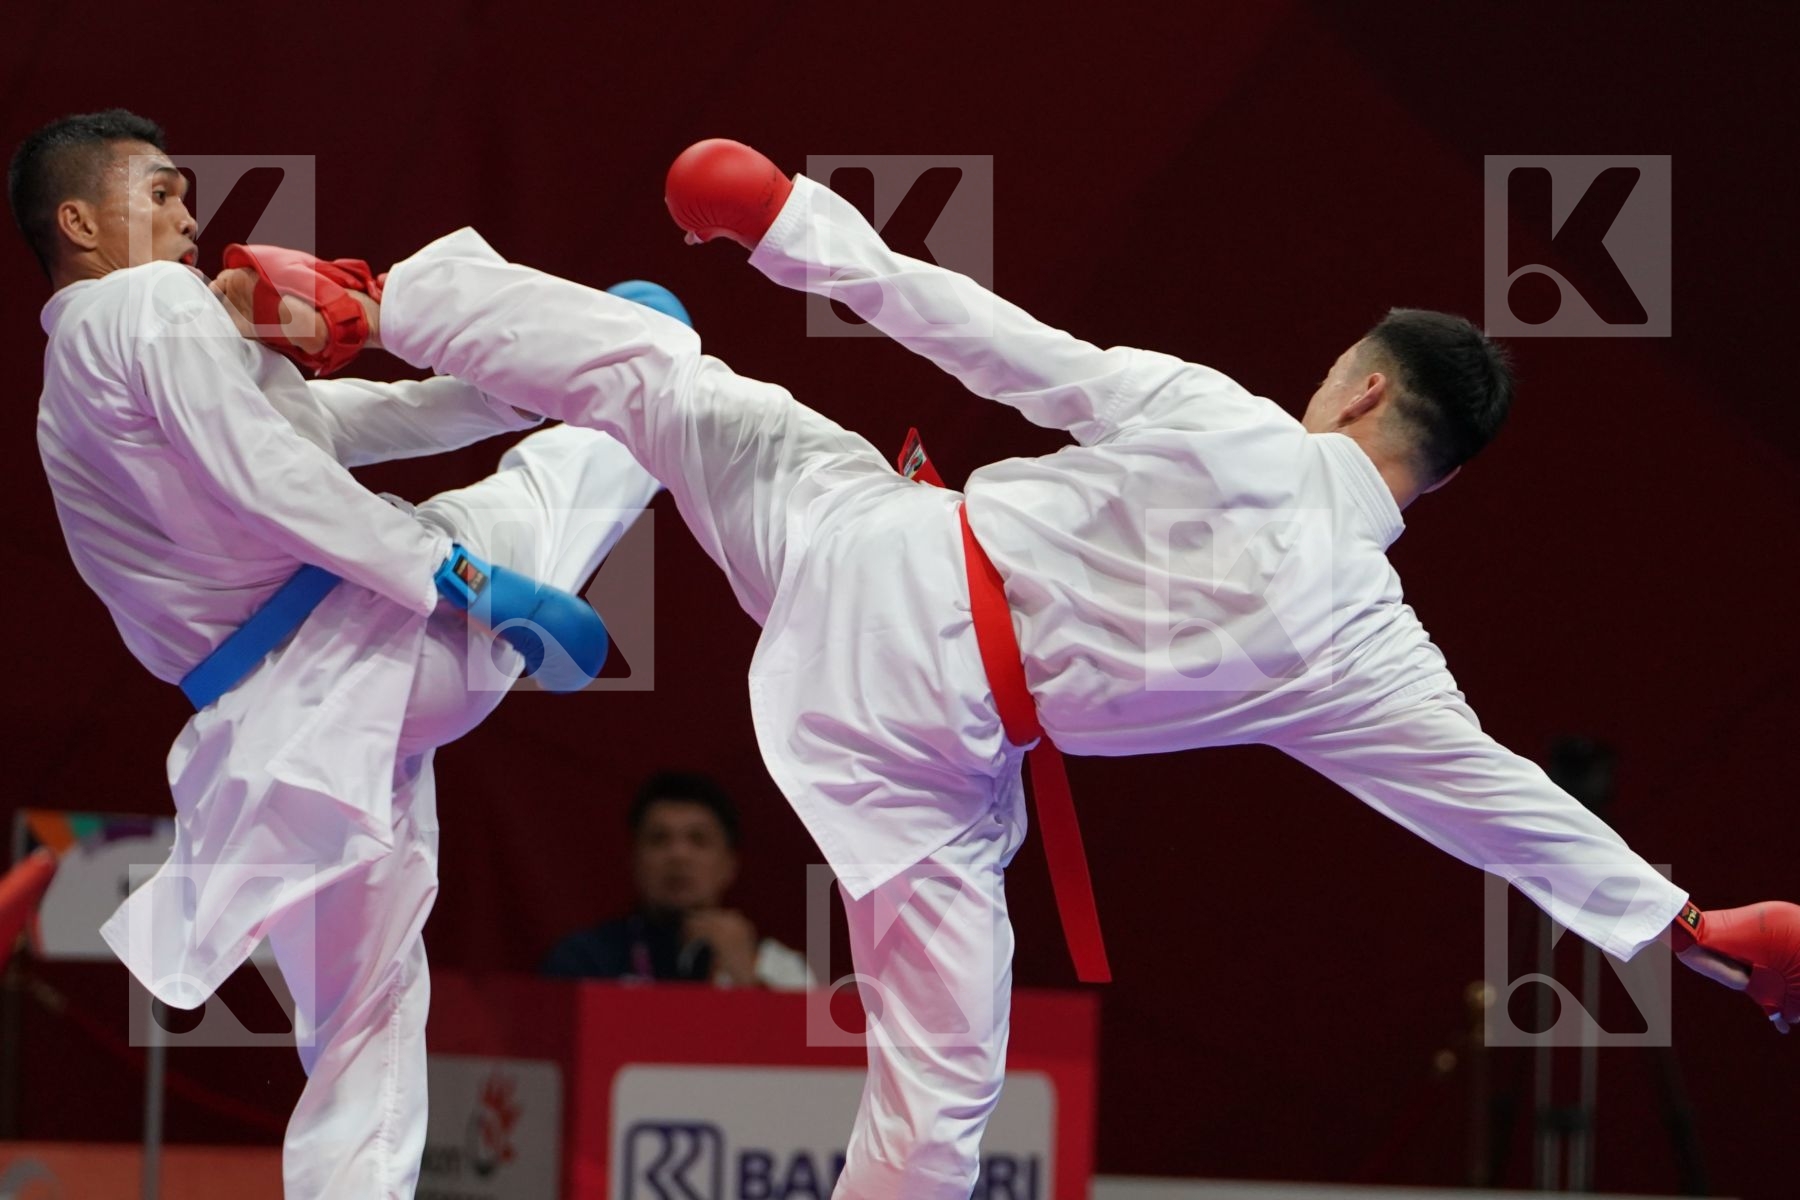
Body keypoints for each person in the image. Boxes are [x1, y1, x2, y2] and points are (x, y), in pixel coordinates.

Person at [262, 140, 1800, 1199]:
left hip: (875, 567)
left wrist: (788, 222)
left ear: (1364, 385)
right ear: (1440, 482)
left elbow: (990, 338)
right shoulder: (1368, 650)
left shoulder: (1234, 423)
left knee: (664, 380)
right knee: (941, 1102)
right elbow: (1495, 807)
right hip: (915, 764)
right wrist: (1687, 925)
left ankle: (367, 302)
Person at [13, 109, 666, 1199]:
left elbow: (329, 427)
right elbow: (278, 479)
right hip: (376, 640)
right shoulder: (146, 302)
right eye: (161, 192)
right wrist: (467, 580)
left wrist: (507, 393)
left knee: (360, 1024)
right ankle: (649, 381)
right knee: (589, 449)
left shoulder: (68, 389)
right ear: (79, 220)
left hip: (280, 733)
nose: (190, 214)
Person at [540, 770, 812, 989]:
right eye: (659, 839)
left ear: (729, 865)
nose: (678, 856)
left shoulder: (779, 966)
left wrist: (746, 979)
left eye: (698, 840)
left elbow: (797, 1056)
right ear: (634, 861)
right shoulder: (586, 960)